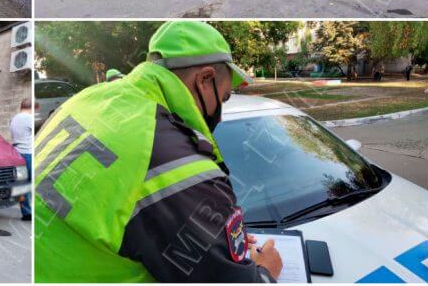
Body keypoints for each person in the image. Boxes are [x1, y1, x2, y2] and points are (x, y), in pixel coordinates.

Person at [35, 21, 283, 283]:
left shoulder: (87, 100)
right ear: (205, 79)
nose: (219, 115)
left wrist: (212, 238)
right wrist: (266, 271)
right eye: (221, 99)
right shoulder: (176, 161)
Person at [9, 98, 33, 221]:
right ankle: (30, 211)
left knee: (24, 184)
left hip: (18, 153)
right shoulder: (28, 119)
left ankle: (26, 211)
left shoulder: (14, 119)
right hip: (28, 153)